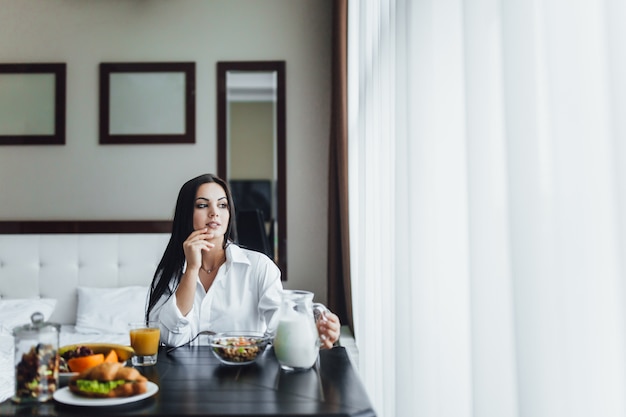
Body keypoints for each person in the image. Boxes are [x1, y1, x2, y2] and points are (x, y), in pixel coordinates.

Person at [146, 173, 340, 349]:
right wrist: (191, 270)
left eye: (222, 205)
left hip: (243, 377)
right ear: (186, 214)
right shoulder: (168, 273)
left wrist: (317, 331)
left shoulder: (259, 267)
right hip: (181, 381)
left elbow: (280, 327)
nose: (214, 213)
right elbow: (169, 337)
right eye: (203, 205)